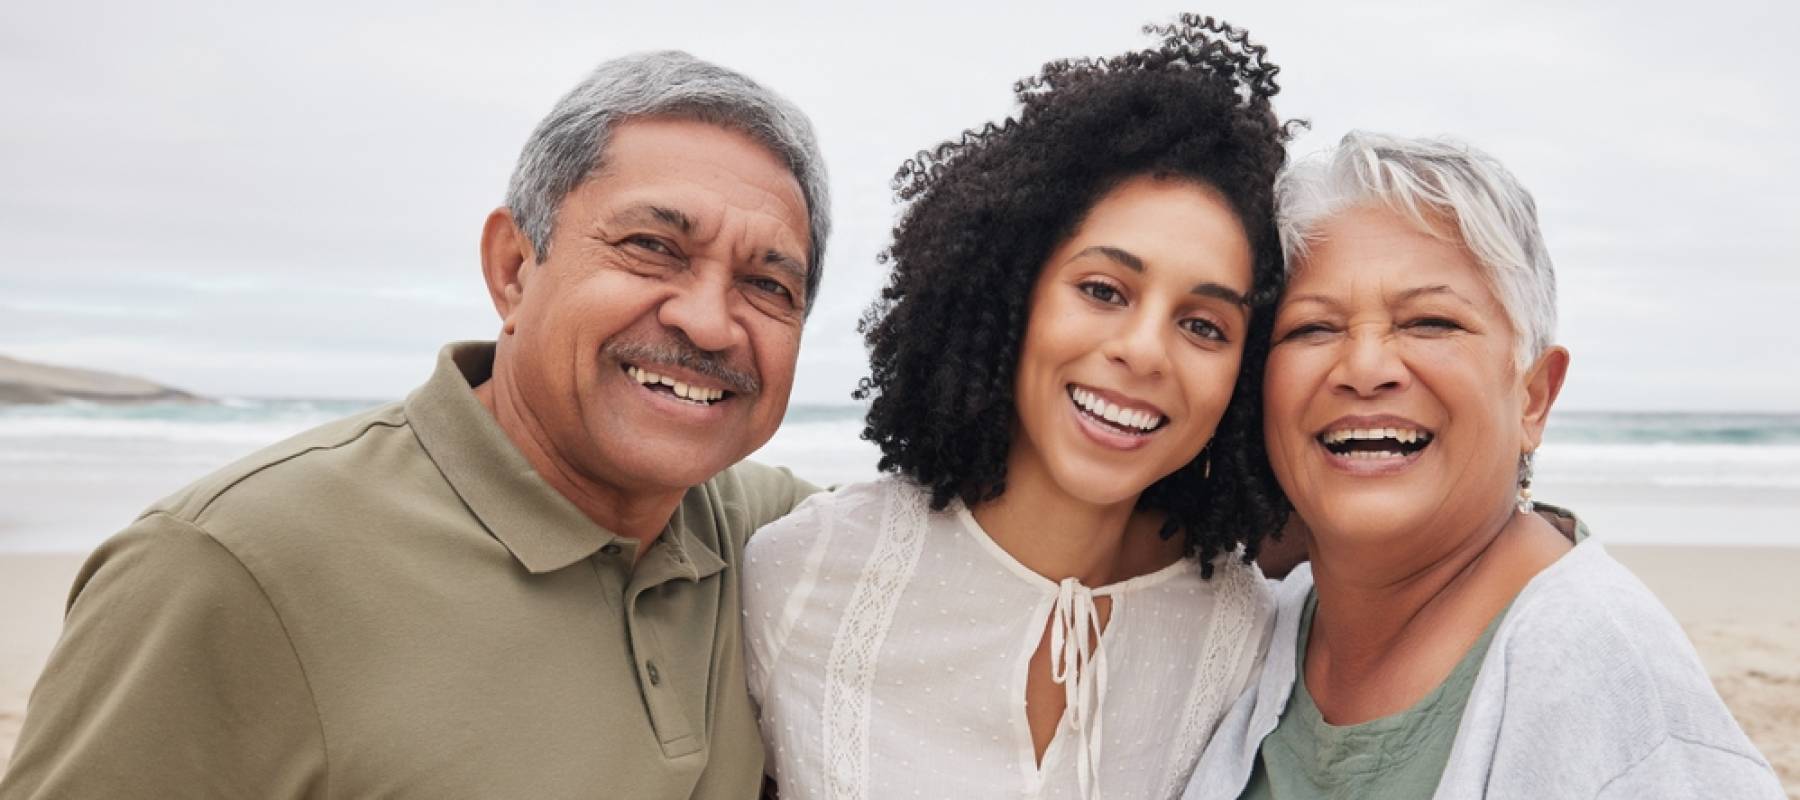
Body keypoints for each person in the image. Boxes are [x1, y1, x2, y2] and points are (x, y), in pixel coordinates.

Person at [1, 51, 829, 798]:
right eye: (652, 246)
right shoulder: (229, 568)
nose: (711, 321)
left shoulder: (779, 542)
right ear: (513, 269)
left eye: (769, 286)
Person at [744, 16, 1294, 800]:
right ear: (1010, 294)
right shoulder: (797, 578)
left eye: (1204, 325)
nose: (1144, 351)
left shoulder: (1245, 638)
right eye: (1103, 290)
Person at [1182, 132, 1784, 799]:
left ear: (1534, 396)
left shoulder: (1607, 677)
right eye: (1313, 328)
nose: (1365, 368)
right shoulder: (1259, 630)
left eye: (1430, 322)